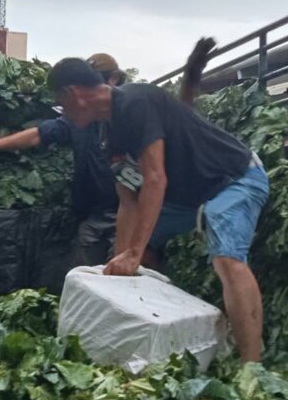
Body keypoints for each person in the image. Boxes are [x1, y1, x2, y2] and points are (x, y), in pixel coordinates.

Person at [47, 56, 269, 363]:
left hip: (233, 178)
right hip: (188, 197)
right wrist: (124, 262)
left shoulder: (135, 103)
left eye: (62, 103)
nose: (66, 114)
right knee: (142, 255)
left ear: (72, 94)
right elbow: (128, 203)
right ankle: (162, 345)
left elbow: (155, 179)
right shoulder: (106, 135)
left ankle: (252, 368)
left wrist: (133, 253)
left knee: (227, 258)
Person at [0, 54, 127, 267]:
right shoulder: (78, 119)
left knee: (121, 274)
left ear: (113, 79)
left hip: (126, 215)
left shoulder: (128, 117)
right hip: (92, 216)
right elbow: (38, 135)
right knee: (84, 273)